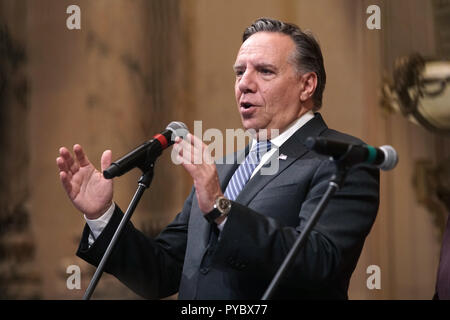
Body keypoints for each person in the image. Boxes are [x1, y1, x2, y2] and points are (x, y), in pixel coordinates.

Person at [56, 18, 379, 299]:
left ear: (307, 84)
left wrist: (221, 209)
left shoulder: (344, 159)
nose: (244, 84)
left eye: (264, 71)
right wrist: (102, 216)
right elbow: (161, 272)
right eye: (239, 72)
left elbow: (317, 263)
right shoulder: (223, 168)